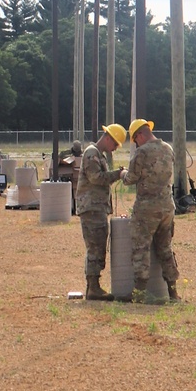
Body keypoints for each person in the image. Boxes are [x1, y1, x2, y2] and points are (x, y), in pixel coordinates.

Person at [123, 119, 180, 303]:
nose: (135, 144)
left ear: (139, 135)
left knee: (141, 248)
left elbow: (131, 178)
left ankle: (139, 294)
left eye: (134, 140)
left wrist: (122, 174)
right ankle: (173, 293)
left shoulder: (142, 152)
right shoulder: (168, 148)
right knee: (165, 249)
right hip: (167, 207)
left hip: (146, 209)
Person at [75, 124, 127, 300]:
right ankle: (93, 288)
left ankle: (94, 285)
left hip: (96, 207)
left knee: (98, 246)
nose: (115, 148)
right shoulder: (92, 153)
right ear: (108, 138)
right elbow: (96, 178)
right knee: (95, 247)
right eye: (115, 144)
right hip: (91, 207)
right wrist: (117, 175)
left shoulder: (98, 155)